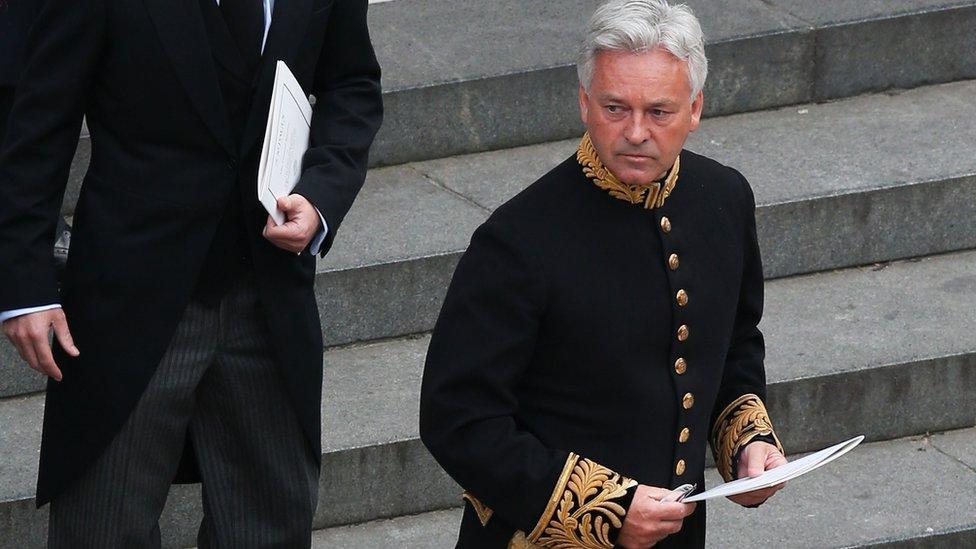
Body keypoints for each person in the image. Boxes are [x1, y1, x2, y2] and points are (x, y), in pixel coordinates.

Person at [0, 0, 382, 546]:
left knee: (269, 526)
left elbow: (352, 83)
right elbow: (39, 124)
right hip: (128, 298)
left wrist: (321, 195)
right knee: (102, 528)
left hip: (269, 295)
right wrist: (24, 285)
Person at [419, 1, 787, 547]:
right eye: (615, 108)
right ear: (584, 104)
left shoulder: (725, 200)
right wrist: (608, 510)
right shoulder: (519, 240)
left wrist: (747, 445)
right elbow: (459, 418)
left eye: (659, 112)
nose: (636, 132)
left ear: (695, 108)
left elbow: (731, 346)